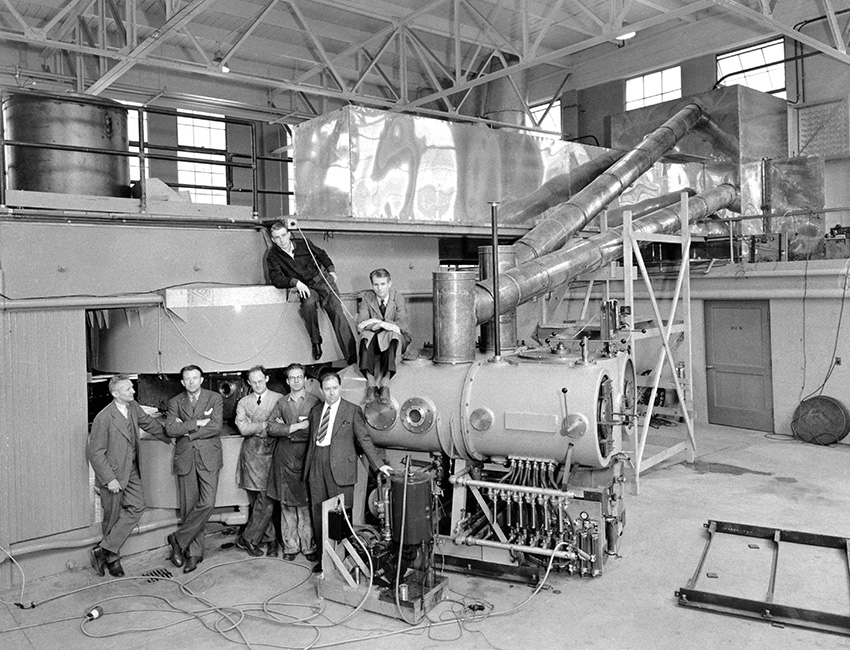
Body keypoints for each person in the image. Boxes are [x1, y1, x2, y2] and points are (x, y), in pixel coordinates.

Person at [305, 371, 393, 572]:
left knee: (340, 515)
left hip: (341, 468)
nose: (331, 393)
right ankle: (324, 558)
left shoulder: (352, 410)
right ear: (322, 390)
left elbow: (364, 440)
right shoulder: (316, 411)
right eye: (327, 389)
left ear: (340, 388)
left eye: (335, 388)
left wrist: (379, 464)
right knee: (319, 513)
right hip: (317, 465)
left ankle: (342, 559)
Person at [86, 375, 170, 577]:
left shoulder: (133, 408)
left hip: (131, 469)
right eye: (128, 389)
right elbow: (95, 453)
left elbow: (150, 424)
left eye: (132, 387)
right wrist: (110, 479)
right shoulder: (104, 418)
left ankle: (104, 549)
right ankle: (112, 559)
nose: (133, 392)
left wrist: (172, 436)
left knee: (138, 506)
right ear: (116, 394)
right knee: (112, 517)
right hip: (113, 474)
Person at [266, 220, 357, 364]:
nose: (281, 240)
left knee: (338, 313)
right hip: (306, 288)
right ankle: (316, 342)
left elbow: (322, 254)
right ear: (273, 239)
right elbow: (276, 278)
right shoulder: (272, 256)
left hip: (323, 281)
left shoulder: (304, 243)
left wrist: (331, 270)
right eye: (277, 237)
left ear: (289, 234)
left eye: (283, 235)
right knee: (308, 306)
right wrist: (294, 282)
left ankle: (352, 356)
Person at [164, 365, 224, 573]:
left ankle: (178, 540)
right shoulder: (175, 402)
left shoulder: (214, 398)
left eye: (195, 378)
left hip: (209, 457)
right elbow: (170, 428)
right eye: (187, 379)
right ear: (182, 382)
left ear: (202, 379)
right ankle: (194, 553)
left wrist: (188, 431)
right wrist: (197, 422)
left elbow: (216, 426)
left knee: (207, 503)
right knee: (189, 506)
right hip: (186, 459)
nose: (191, 382)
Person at [264, 363, 319, 561]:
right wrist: (297, 427)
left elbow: (314, 430)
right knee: (287, 505)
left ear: (305, 379)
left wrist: (285, 429)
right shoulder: (281, 403)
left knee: (305, 504)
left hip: (306, 457)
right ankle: (290, 547)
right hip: (284, 458)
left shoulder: (315, 402)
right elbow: (270, 428)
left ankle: (309, 546)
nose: (296, 380)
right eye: (292, 377)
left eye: (299, 377)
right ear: (287, 381)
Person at [234, 366, 283, 558]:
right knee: (263, 499)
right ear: (248, 382)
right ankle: (266, 541)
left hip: (272, 452)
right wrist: (264, 425)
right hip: (253, 454)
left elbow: (282, 424)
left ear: (267, 378)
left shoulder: (279, 398)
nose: (257, 385)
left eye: (260, 381)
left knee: (266, 499)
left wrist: (261, 427)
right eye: (253, 382)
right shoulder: (243, 402)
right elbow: (242, 428)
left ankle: (250, 538)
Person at [356, 268, 411, 404]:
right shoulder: (367, 299)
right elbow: (361, 324)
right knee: (364, 337)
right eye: (376, 284)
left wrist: (378, 323)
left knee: (392, 336)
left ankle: (385, 383)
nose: (379, 288)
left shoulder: (397, 297)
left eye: (382, 284)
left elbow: (401, 326)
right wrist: (383, 325)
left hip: (397, 338)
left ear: (389, 283)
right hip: (374, 337)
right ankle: (371, 384)